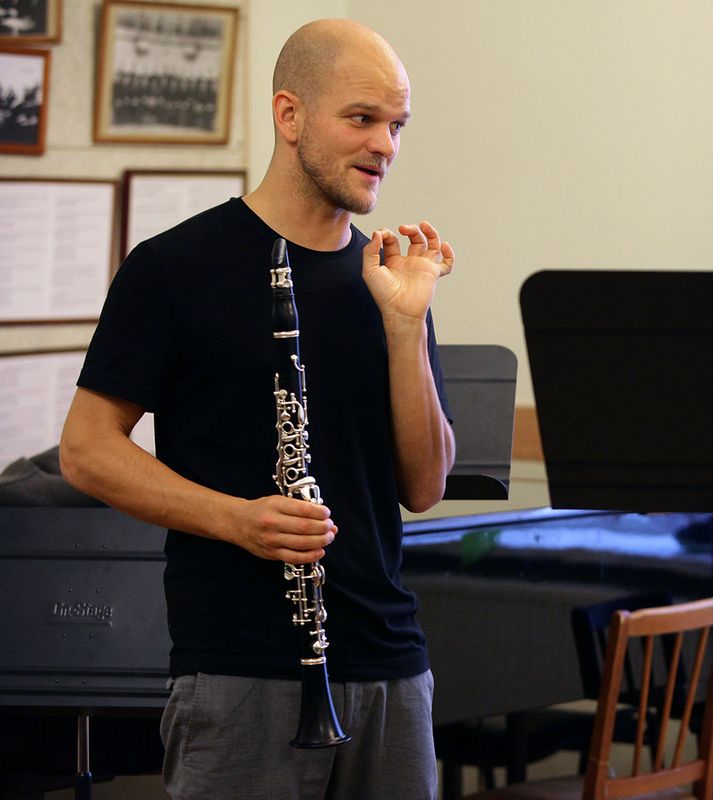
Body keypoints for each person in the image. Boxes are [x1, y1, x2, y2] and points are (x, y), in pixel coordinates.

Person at [59, 19, 454, 800]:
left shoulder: (389, 279)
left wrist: (407, 326)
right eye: (362, 118)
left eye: (397, 125)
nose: (384, 145)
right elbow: (86, 450)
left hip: (389, 664)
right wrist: (237, 519)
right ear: (290, 115)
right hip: (238, 671)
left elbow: (425, 486)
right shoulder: (174, 267)